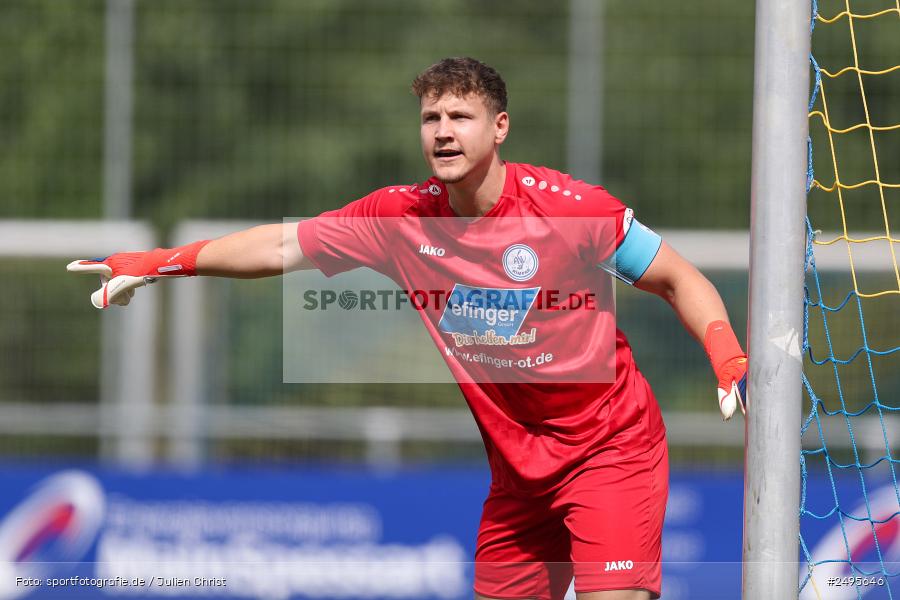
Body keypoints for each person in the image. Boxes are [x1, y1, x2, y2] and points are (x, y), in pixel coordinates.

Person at [68, 57, 747, 600]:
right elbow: (280, 248)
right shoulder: (400, 217)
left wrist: (725, 353)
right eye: (430, 117)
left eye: (461, 115)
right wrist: (164, 262)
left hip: (609, 449)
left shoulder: (571, 210)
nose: (443, 131)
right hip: (518, 472)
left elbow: (680, 279)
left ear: (500, 127)